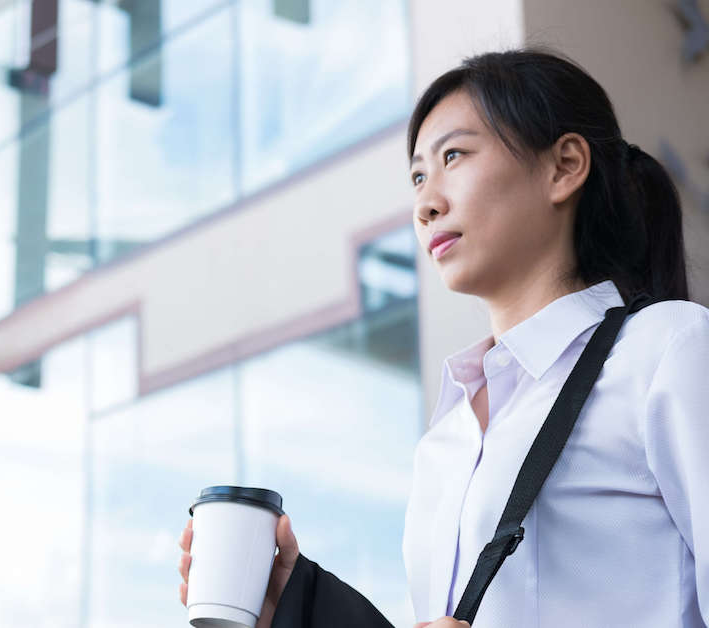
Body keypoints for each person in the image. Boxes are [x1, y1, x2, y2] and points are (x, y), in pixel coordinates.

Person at [178, 45, 709, 627]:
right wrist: (299, 607)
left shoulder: (666, 349)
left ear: (563, 167)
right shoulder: (448, 436)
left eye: (453, 155)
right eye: (417, 176)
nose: (426, 204)